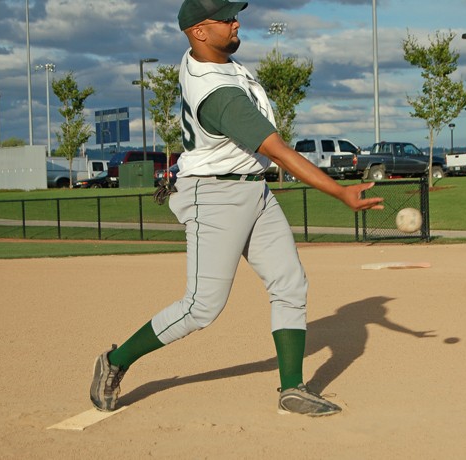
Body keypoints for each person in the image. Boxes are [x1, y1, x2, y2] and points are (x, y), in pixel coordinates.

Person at [90, 0, 384, 417]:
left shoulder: (211, 58)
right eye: (225, 19)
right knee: (201, 307)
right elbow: (278, 151)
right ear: (199, 32)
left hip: (252, 189)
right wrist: (340, 192)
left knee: (290, 283)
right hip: (214, 196)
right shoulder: (218, 92)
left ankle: (291, 388)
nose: (236, 22)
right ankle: (115, 362)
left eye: (233, 15)